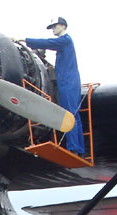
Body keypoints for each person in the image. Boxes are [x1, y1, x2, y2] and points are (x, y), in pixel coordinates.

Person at [24, 17, 85, 156]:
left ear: (63, 26)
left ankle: (74, 148)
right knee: (74, 115)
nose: (53, 29)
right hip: (67, 81)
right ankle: (79, 149)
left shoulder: (65, 40)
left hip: (68, 82)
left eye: (55, 26)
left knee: (69, 114)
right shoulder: (64, 44)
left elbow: (48, 43)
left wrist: (25, 41)